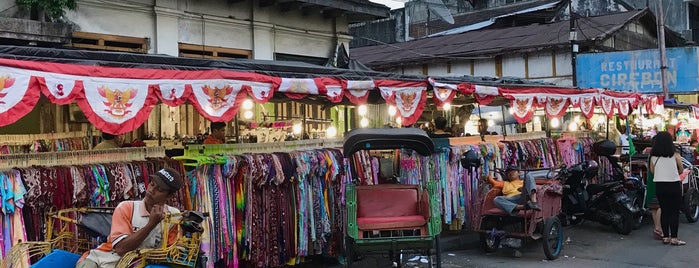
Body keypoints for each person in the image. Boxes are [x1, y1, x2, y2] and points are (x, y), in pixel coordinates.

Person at [76, 167, 184, 268]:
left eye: (159, 189)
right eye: (151, 184)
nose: (151, 190)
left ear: (169, 196)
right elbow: (121, 249)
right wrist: (151, 224)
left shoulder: (173, 216)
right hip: (101, 259)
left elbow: (172, 252)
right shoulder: (126, 207)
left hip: (134, 264)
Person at [649, 131, 685, 246]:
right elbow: (681, 170)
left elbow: (652, 172)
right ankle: (674, 238)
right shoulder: (676, 155)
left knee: (664, 211)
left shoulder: (653, 157)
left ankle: (665, 237)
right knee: (674, 212)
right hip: (673, 185)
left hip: (660, 186)